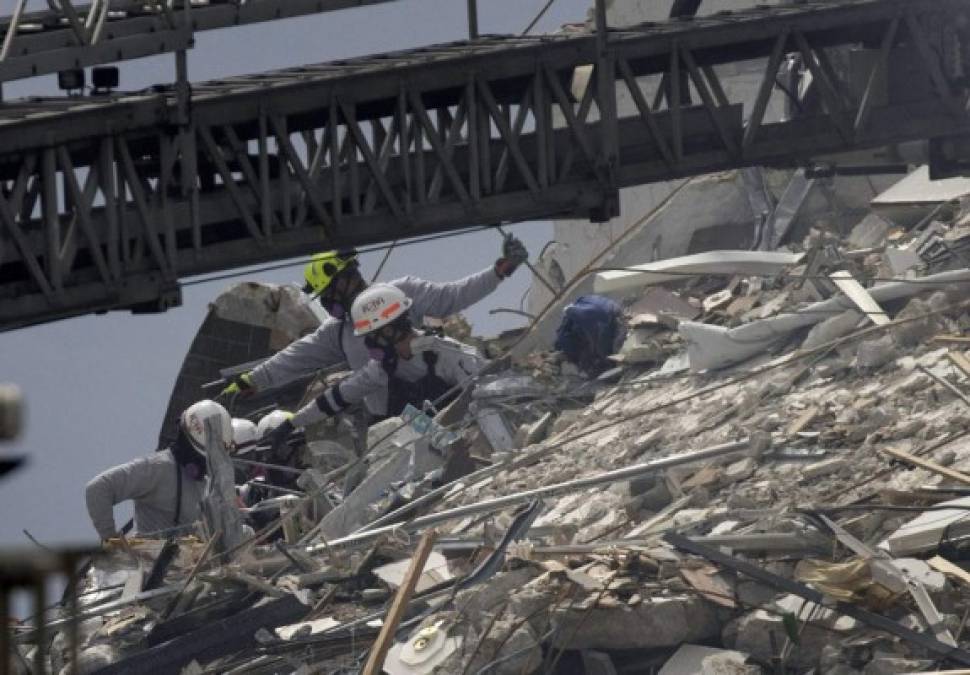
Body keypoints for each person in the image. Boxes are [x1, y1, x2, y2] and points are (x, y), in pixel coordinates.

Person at [222, 235, 527, 416]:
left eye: (326, 295)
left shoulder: (401, 292)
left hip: (442, 396)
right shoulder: (338, 331)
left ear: (342, 283)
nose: (327, 304)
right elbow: (296, 358)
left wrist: (501, 270)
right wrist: (251, 380)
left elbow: (453, 296)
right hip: (393, 421)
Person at [263, 284, 485, 446]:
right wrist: (292, 424)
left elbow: (485, 396)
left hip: (470, 443)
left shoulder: (447, 355)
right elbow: (337, 397)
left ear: (391, 329)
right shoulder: (383, 368)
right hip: (429, 451)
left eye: (372, 336)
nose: (368, 344)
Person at [84, 400, 232, 541]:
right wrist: (111, 541)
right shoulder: (158, 468)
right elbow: (98, 488)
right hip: (150, 564)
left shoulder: (205, 486)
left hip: (192, 564)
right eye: (205, 462)